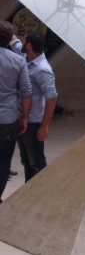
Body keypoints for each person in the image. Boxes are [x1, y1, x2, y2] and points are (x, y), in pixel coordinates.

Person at [10, 31, 58, 182]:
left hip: (33, 123)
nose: (22, 44)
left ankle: (41, 196)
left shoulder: (42, 69)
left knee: (37, 162)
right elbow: (13, 40)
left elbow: (52, 97)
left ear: (29, 46)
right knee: (26, 161)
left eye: (25, 42)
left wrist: (44, 127)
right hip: (22, 119)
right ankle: (28, 192)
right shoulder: (25, 57)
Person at [0, 21, 32, 203]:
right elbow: (27, 92)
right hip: (8, 119)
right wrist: (25, 117)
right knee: (3, 161)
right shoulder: (18, 60)